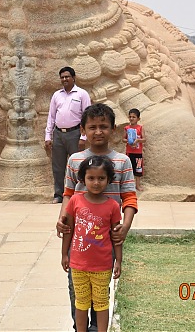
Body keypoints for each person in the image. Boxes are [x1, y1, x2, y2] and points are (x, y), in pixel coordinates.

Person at [57, 103, 137, 332]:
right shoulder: (75, 160)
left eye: (103, 126)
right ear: (83, 129)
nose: (98, 131)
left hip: (106, 241)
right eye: (92, 127)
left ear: (113, 129)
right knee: (78, 291)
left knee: (101, 292)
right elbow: (68, 194)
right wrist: (62, 219)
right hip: (79, 241)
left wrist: (126, 226)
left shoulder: (122, 162)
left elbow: (129, 198)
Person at [60, 155, 122, 332]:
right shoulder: (75, 201)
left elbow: (116, 237)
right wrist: (64, 253)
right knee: (81, 302)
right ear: (83, 179)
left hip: (102, 265)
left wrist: (118, 260)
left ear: (109, 180)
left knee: (101, 302)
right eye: (91, 178)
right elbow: (68, 230)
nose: (96, 182)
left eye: (101, 178)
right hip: (78, 264)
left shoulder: (113, 206)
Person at [45, 66, 92, 204]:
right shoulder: (56, 95)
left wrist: (83, 137)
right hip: (59, 134)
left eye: (67, 77)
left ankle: (79, 194)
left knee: (78, 165)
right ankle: (59, 194)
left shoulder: (82, 94)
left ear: (73, 78)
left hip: (75, 133)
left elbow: (87, 116)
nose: (64, 79)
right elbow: (51, 117)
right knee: (58, 167)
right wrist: (48, 136)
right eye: (62, 77)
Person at [123, 108, 145, 190]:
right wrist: (128, 141)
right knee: (128, 168)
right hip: (129, 152)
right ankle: (129, 185)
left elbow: (144, 139)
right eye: (130, 117)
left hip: (138, 153)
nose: (131, 118)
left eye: (134, 117)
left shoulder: (140, 128)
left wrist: (138, 140)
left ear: (138, 119)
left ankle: (138, 185)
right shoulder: (126, 128)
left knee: (138, 169)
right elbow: (123, 139)